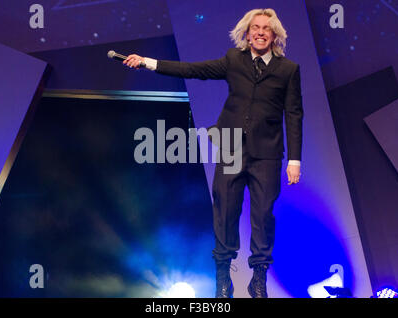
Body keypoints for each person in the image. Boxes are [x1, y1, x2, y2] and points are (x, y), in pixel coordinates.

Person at [123, 8, 303, 298]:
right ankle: (223, 276)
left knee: (263, 215)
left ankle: (258, 277)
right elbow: (195, 70)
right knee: (225, 210)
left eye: (266, 28)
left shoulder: (288, 70)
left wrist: (294, 159)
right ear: (247, 33)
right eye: (255, 27)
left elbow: (294, 114)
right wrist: (148, 63)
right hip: (231, 146)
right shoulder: (234, 61)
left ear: (275, 35)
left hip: (267, 153)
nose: (259, 32)